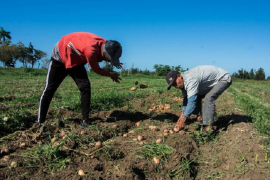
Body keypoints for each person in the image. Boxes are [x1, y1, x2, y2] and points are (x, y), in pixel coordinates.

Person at [38, 32, 123, 128]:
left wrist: (113, 60)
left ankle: (85, 120)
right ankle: (40, 122)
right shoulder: (90, 51)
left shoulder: (105, 44)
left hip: (76, 58)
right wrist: (111, 75)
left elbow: (102, 55)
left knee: (85, 86)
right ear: (105, 53)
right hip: (61, 54)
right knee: (50, 89)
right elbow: (97, 69)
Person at [166, 65, 232, 132]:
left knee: (209, 98)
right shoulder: (183, 83)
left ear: (179, 76)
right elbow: (186, 100)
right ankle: (199, 118)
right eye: (173, 85)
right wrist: (181, 117)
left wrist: (183, 119)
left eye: (175, 83)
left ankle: (209, 128)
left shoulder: (190, 80)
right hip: (212, 81)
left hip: (223, 78)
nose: (176, 86)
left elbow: (192, 102)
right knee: (196, 95)